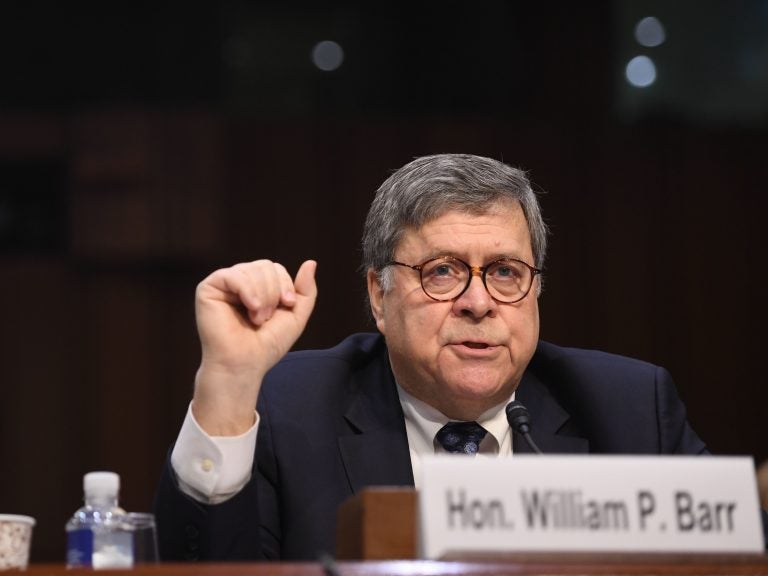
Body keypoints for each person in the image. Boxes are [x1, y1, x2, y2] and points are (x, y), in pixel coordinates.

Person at [154, 153, 763, 561]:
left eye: (505, 271)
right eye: (441, 272)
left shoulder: (629, 408)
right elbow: (199, 568)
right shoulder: (292, 408)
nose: (479, 302)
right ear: (378, 295)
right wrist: (230, 384)